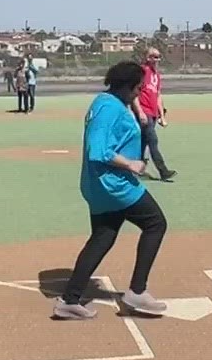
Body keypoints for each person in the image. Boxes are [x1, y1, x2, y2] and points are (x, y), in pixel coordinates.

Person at [54, 60, 170, 320]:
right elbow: (99, 151)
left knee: (103, 237)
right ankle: (137, 291)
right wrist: (132, 164)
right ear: (127, 86)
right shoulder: (109, 108)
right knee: (156, 224)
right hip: (113, 185)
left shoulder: (109, 103)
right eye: (138, 88)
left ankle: (69, 300)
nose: (140, 93)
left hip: (101, 185)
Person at [135, 46, 175, 180]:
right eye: (154, 56)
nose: (157, 59)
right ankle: (163, 171)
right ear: (147, 58)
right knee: (153, 140)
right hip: (144, 111)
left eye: (158, 56)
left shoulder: (156, 75)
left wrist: (162, 116)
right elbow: (135, 92)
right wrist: (139, 112)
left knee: (143, 142)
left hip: (152, 113)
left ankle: (135, 169)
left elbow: (157, 95)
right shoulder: (142, 71)